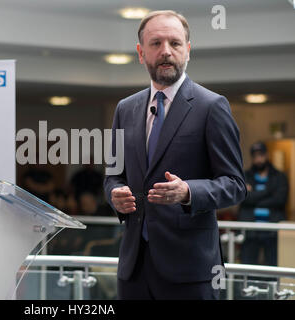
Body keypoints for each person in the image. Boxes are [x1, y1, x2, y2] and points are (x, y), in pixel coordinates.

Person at [104, 10, 246, 300]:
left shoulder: (212, 106)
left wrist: (188, 191)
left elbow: (234, 184)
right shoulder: (125, 108)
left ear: (188, 50)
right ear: (141, 53)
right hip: (134, 270)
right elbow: (113, 175)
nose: (166, 51)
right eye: (155, 44)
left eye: (175, 43)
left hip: (190, 272)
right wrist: (115, 193)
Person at [239, 141, 288, 266]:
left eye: (261, 155)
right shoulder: (245, 176)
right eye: (255, 156)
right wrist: (268, 191)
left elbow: (280, 200)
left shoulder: (279, 176)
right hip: (251, 230)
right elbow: (242, 199)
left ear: (266, 155)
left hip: (272, 230)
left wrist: (253, 195)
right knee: (248, 267)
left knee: (273, 267)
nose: (258, 159)